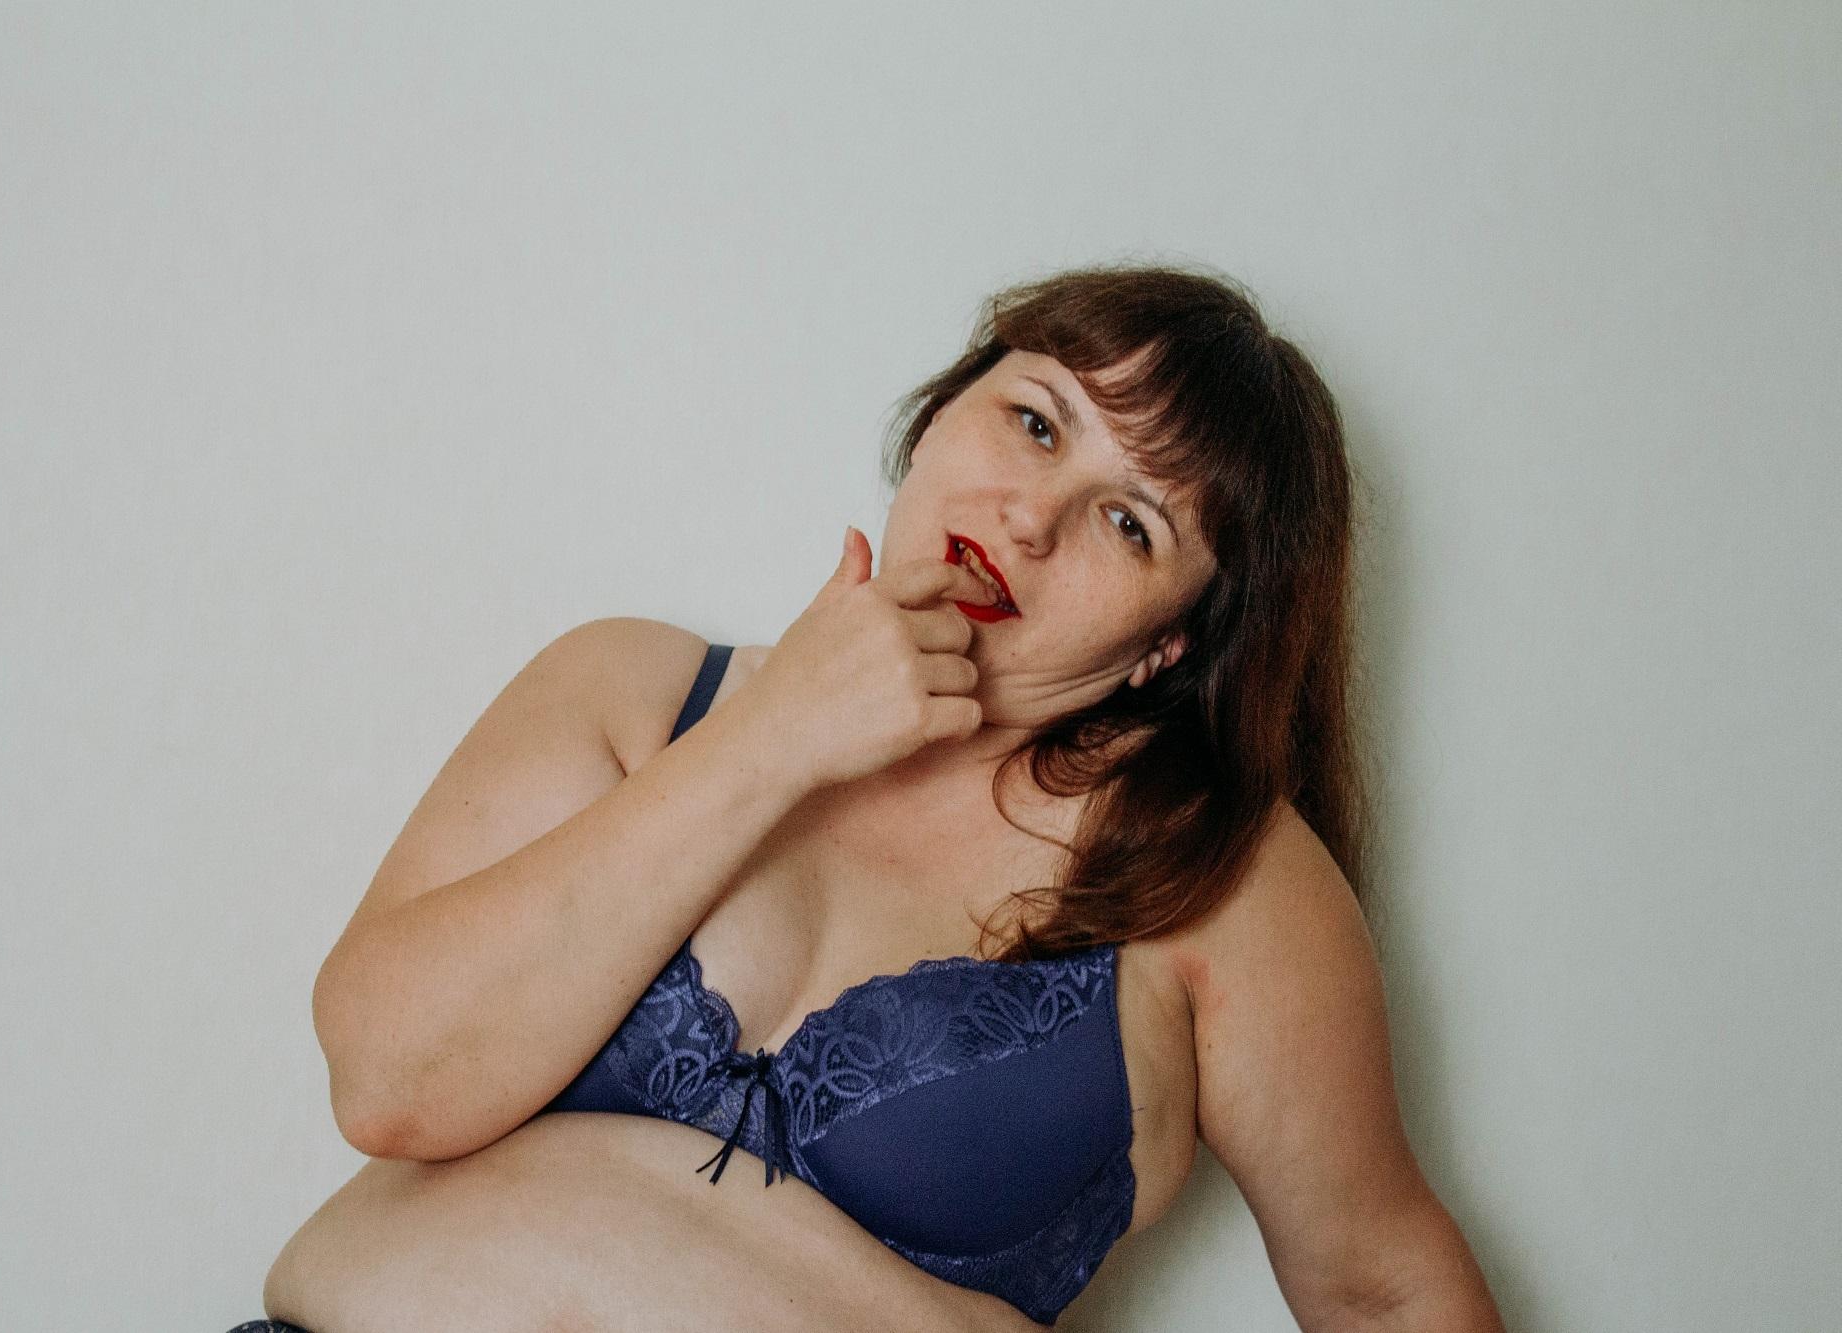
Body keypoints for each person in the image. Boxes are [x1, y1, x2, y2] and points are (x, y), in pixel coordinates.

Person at [235, 264, 1507, 1331]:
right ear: (944, 411)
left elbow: (1383, 1291)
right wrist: (775, 737)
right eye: (1036, 422)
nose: (1032, 518)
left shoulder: (1218, 879)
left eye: (1128, 524)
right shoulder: (631, 689)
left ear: (1168, 643)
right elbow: (386, 1081)